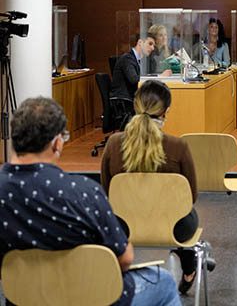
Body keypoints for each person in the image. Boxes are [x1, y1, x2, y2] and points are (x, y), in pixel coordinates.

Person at [0, 97, 180, 306]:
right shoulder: (84, 192)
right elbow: (124, 259)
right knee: (164, 282)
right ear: (56, 143)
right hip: (90, 298)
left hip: (25, 299)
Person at [101, 80, 208, 296]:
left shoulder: (113, 144)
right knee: (182, 214)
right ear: (166, 112)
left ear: (135, 106)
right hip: (174, 229)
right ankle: (189, 266)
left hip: (125, 227)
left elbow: (107, 192)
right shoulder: (178, 147)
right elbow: (191, 197)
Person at [111, 33, 172, 101]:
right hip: (124, 101)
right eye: (150, 44)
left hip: (135, 98)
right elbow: (134, 80)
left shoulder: (141, 60)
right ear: (140, 42)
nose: (152, 48)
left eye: (153, 46)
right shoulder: (127, 58)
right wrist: (160, 76)